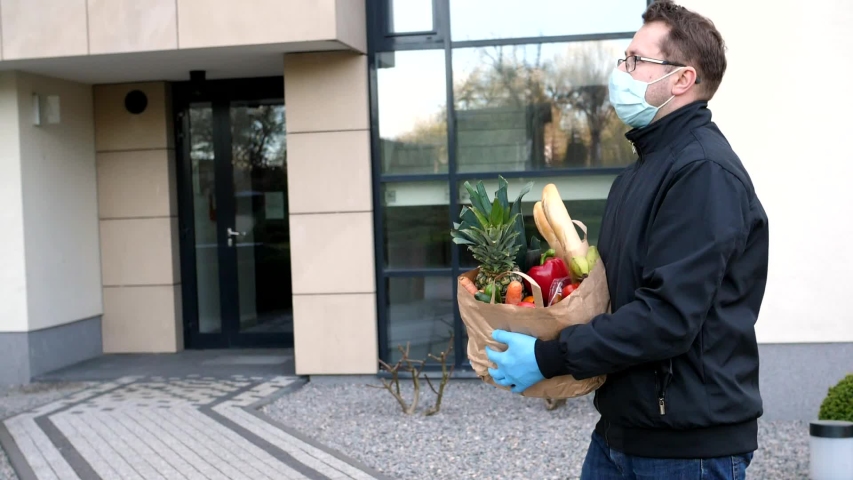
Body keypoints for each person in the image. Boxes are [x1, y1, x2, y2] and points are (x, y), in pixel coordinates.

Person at [485, 1, 769, 478]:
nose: (620, 71)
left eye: (636, 61)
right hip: (622, 432)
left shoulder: (702, 173)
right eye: (624, 59)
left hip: (685, 448)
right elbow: (618, 297)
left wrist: (549, 356)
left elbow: (667, 318)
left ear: (681, 79)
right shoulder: (640, 172)